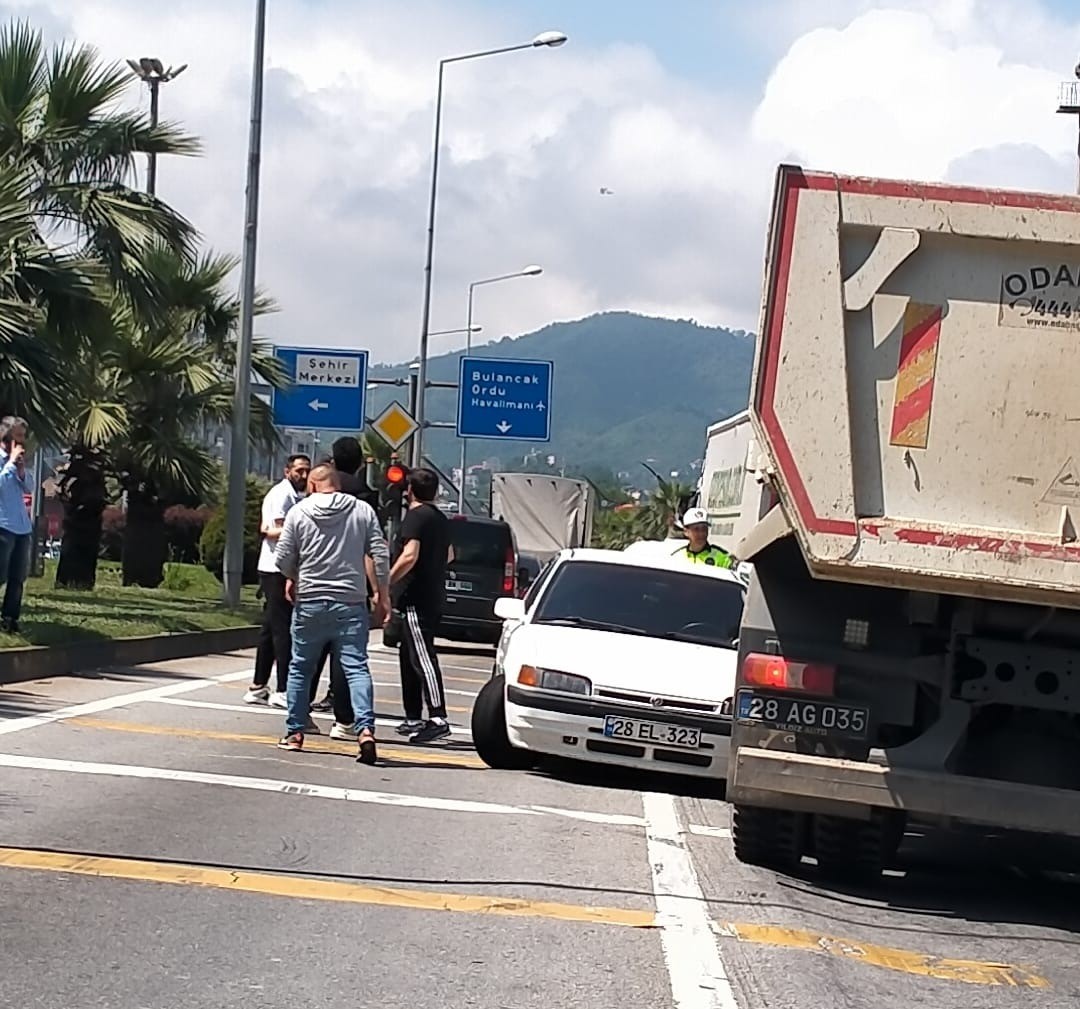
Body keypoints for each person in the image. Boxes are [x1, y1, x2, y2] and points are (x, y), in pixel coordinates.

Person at [274, 464, 389, 763]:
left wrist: (295, 576)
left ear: (312, 485)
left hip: (310, 600)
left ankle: (295, 732)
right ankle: (365, 730)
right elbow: (379, 553)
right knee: (356, 667)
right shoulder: (362, 510)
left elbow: (282, 557)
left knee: (301, 667)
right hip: (351, 602)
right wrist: (382, 594)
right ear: (337, 484)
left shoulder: (299, 512)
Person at [388, 467, 452, 744]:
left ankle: (437, 717)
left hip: (416, 597)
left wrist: (386, 581)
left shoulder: (416, 517)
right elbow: (450, 555)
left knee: (422, 656)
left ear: (410, 490)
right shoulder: (440, 519)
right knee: (409, 655)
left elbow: (409, 555)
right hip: (432, 594)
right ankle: (412, 716)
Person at [244, 454, 311, 708]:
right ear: (287, 471)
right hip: (276, 568)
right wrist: (303, 526)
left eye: (306, 471)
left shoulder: (294, 496)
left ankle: (258, 686)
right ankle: (283, 689)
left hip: (278, 567)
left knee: (270, 628)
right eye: (299, 470)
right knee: (283, 629)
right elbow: (275, 531)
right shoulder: (282, 495)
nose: (303, 475)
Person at [0, 416, 32, 634]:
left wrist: (21, 470)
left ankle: (10, 619)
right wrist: (10, 463)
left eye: (23, 436)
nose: (21, 440)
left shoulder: (18, 461)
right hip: (3, 525)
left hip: (21, 526)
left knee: (18, 577)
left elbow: (29, 487)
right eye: (18, 435)